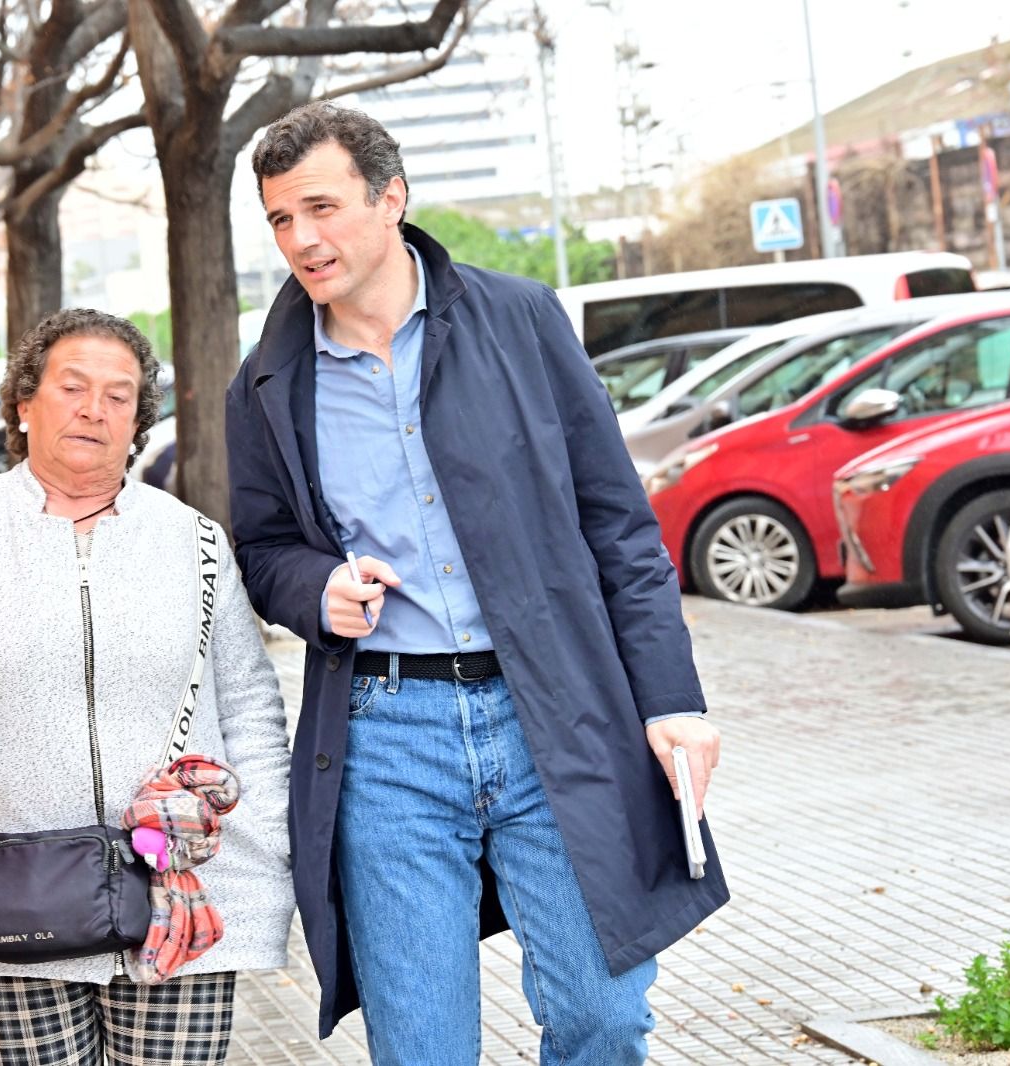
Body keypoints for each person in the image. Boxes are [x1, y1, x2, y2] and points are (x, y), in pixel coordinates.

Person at [225, 103, 730, 1065]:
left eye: (321, 208)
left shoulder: (521, 318)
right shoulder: (267, 383)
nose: (303, 239)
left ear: (391, 198)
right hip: (387, 735)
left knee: (603, 1015)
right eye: (281, 220)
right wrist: (315, 589)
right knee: (423, 1048)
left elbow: (617, 524)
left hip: (553, 714)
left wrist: (672, 699)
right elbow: (264, 547)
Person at [0, 309, 294, 1066]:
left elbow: (251, 708)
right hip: (15, 886)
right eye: (73, 386)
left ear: (138, 422)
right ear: (25, 404)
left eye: (120, 396)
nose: (95, 408)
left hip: (176, 891)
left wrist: (265, 847)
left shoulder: (194, 542)